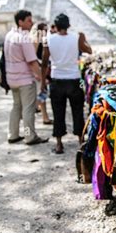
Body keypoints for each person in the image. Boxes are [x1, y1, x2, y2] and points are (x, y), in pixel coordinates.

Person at [41, 13, 92, 154]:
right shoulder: (76, 38)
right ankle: (81, 141)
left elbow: (45, 62)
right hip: (74, 80)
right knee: (77, 111)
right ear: (68, 26)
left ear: (56, 26)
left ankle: (59, 144)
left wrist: (42, 82)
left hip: (57, 80)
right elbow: (89, 50)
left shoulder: (48, 39)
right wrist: (84, 38)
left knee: (58, 113)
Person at [4, 10, 49, 145]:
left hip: (11, 78)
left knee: (16, 106)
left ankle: (13, 134)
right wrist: (41, 77)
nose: (31, 23)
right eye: (29, 20)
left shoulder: (9, 35)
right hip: (24, 79)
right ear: (20, 22)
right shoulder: (24, 38)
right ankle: (29, 136)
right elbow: (32, 61)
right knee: (28, 109)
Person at [31, 23, 52, 125]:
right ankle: (43, 116)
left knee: (42, 94)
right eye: (44, 30)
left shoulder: (44, 40)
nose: (46, 31)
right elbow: (33, 57)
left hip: (43, 69)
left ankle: (45, 116)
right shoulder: (36, 40)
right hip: (38, 70)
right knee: (40, 94)